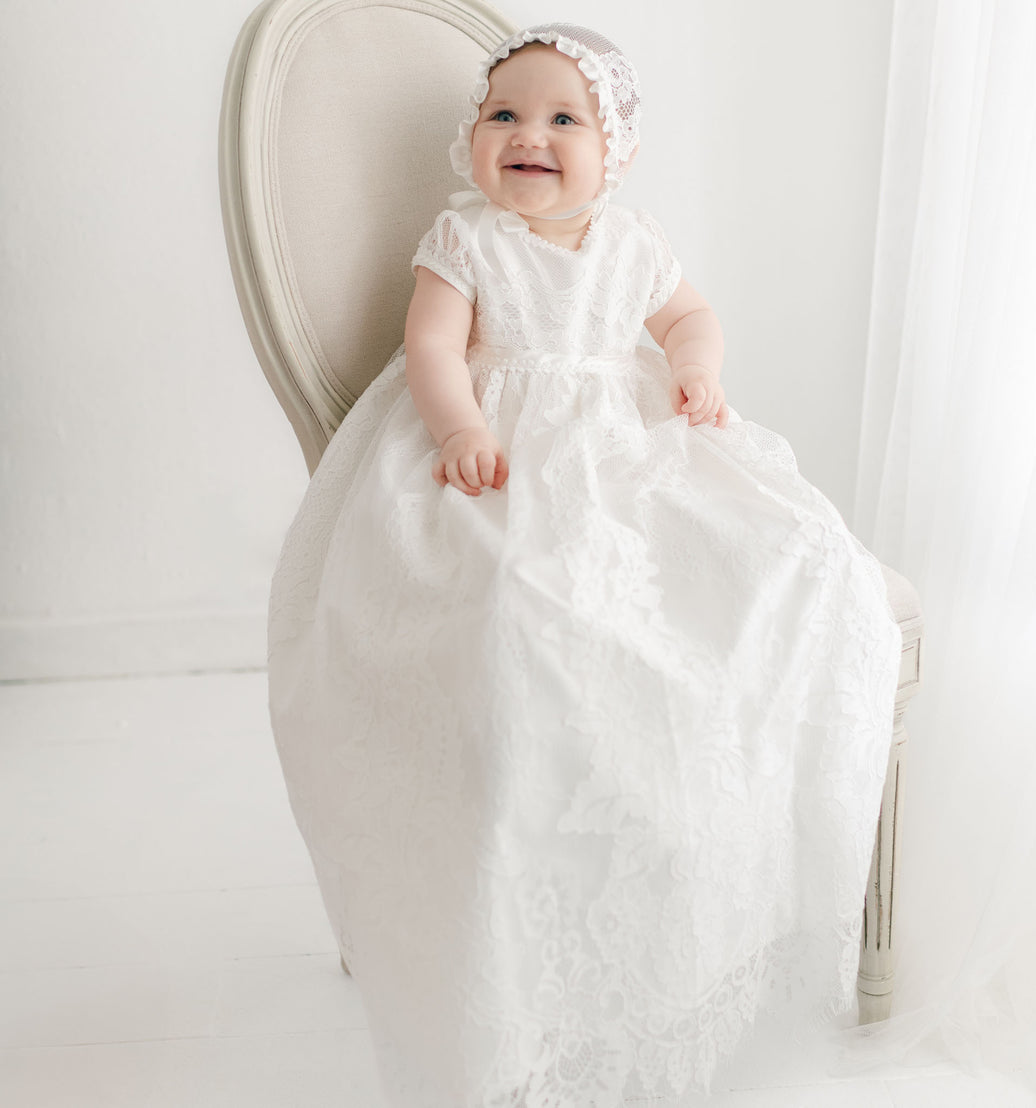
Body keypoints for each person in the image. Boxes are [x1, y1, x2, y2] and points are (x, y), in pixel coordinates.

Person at [267, 23, 902, 1108]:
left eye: (566, 119)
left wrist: (695, 371)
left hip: (631, 446)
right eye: (503, 114)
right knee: (523, 602)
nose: (529, 135)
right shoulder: (462, 241)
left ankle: (716, 878)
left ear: (616, 153)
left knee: (782, 557)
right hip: (505, 457)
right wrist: (460, 422)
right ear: (471, 142)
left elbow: (688, 315)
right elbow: (430, 347)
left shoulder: (632, 241)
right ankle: (514, 907)